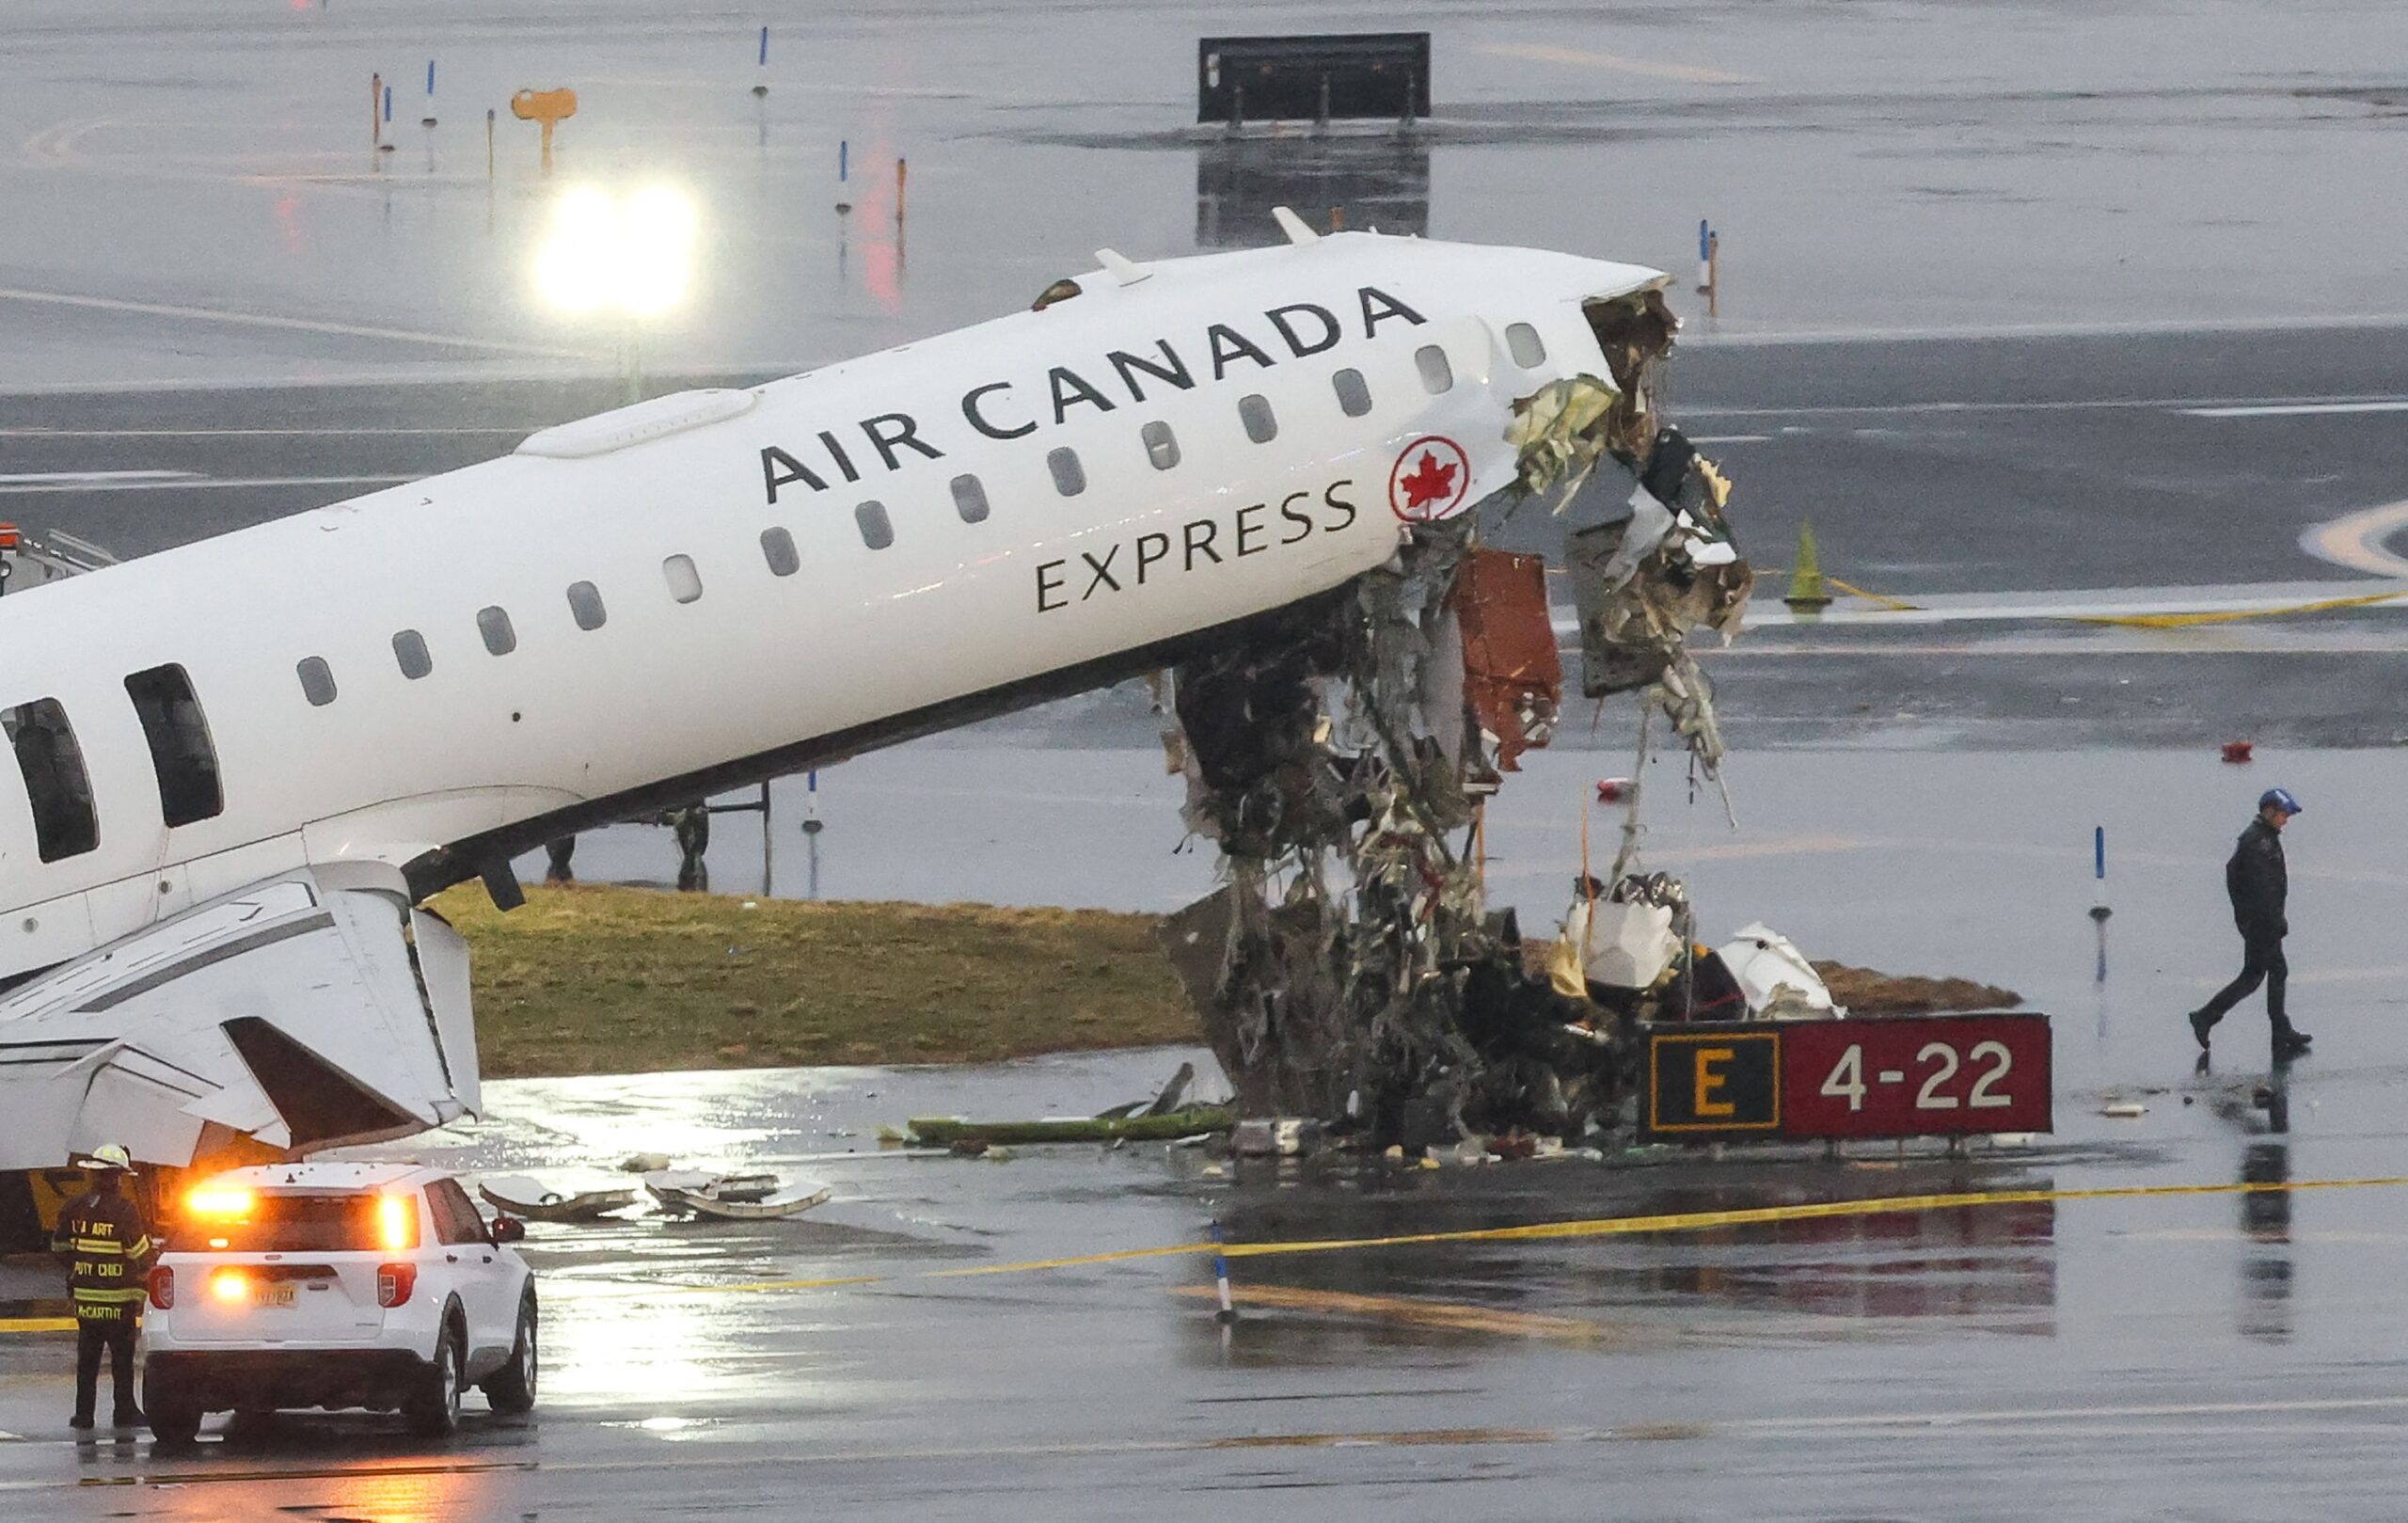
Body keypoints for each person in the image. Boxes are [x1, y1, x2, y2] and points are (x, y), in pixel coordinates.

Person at [2189, 788, 2312, 1061]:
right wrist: (2269, 921)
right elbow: (2262, 890)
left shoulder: (2261, 838)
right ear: (2270, 812)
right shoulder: (2258, 843)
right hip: (2262, 923)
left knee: (2276, 971)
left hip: (2261, 922)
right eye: (2283, 815)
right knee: (2254, 977)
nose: (2286, 821)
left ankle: (2280, 1028)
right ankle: (2206, 1016)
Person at [48, 1144, 156, 1430]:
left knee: (87, 1362)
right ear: (118, 1176)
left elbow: (58, 1247)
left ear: (94, 1175)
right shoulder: (124, 1210)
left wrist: (80, 1267)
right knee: (122, 1362)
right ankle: (124, 1412)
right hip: (118, 1302)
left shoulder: (75, 1207)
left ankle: (83, 1415)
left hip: (85, 1302)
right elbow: (138, 1253)